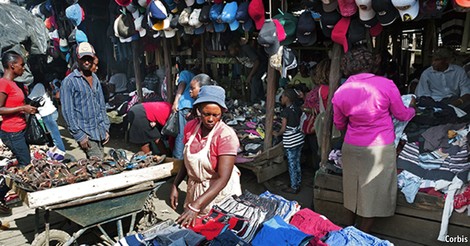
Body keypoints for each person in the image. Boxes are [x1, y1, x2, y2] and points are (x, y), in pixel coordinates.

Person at [332, 47, 416, 233]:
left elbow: (339, 124)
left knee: (352, 189)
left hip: (352, 146)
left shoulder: (341, 91)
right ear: (372, 64)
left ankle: (346, 231)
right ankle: (362, 236)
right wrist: (412, 109)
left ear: (347, 66)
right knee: (373, 193)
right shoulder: (386, 85)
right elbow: (401, 115)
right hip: (379, 148)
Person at [170, 85, 241, 227]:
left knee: (215, 231)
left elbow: (223, 178)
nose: (210, 119)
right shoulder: (190, 127)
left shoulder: (225, 135)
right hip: (196, 188)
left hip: (218, 190)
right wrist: (175, 184)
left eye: (216, 115)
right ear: (198, 110)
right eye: (206, 114)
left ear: (222, 113)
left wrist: (196, 205)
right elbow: (187, 160)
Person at [0, 51, 38, 215]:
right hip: (12, 132)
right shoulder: (4, 83)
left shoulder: (14, 84)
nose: (24, 68)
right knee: (25, 165)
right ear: (12, 65)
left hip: (19, 130)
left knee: (24, 165)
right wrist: (23, 108)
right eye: (22, 65)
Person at [60, 42, 110, 158]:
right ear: (78, 59)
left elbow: (101, 104)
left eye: (89, 58)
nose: (86, 62)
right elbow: (68, 112)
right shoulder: (69, 81)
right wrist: (79, 135)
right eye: (83, 59)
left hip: (99, 131)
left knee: (99, 163)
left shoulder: (95, 78)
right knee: (98, 163)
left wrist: (105, 127)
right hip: (86, 132)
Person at [273, 88, 305, 194]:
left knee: (292, 164)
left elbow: (283, 129)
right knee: (297, 162)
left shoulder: (285, 112)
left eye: (282, 96)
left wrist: (276, 134)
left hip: (291, 141)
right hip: (299, 139)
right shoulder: (297, 108)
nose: (281, 98)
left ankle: (294, 187)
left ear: (287, 98)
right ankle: (298, 183)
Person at [302, 58, 331, 171]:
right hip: (324, 125)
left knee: (317, 153)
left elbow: (306, 106)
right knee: (322, 154)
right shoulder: (328, 89)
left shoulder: (317, 89)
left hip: (316, 125)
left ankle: (316, 176)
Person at [28, 80, 66, 154]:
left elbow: (29, 99)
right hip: (50, 112)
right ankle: (58, 151)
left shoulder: (38, 85)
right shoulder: (44, 85)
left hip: (47, 114)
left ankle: (61, 152)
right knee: (54, 135)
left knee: (55, 136)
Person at [172, 69, 195, 159]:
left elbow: (182, 85)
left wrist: (176, 101)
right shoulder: (195, 76)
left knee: (182, 133)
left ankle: (178, 158)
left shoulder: (185, 73)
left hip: (185, 105)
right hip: (191, 106)